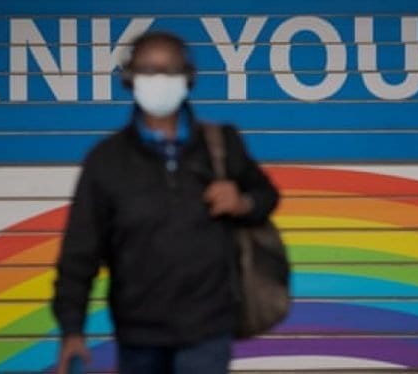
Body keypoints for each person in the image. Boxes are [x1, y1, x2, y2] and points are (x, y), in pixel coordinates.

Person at [52, 31, 280, 374]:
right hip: (138, 333)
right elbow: (79, 252)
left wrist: (242, 201)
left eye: (169, 70)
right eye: (148, 70)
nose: (159, 79)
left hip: (207, 327)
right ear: (130, 79)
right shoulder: (106, 160)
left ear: (187, 78)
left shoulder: (221, 144)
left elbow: (267, 197)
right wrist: (72, 329)